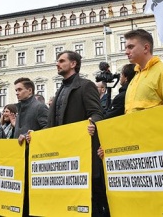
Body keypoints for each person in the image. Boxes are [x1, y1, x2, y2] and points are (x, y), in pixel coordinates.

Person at [46, 50, 107, 217]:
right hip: (62, 156)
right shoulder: (59, 90)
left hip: (81, 155)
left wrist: (91, 123)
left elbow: (97, 113)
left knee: (88, 203)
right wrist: (34, 136)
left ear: (73, 64)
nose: (57, 64)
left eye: (61, 61)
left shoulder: (85, 85)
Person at [13, 78, 48, 217]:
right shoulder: (19, 109)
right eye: (16, 90)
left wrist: (33, 136)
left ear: (30, 90)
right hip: (20, 160)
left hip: (34, 162)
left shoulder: (39, 107)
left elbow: (48, 130)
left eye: (20, 89)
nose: (17, 93)